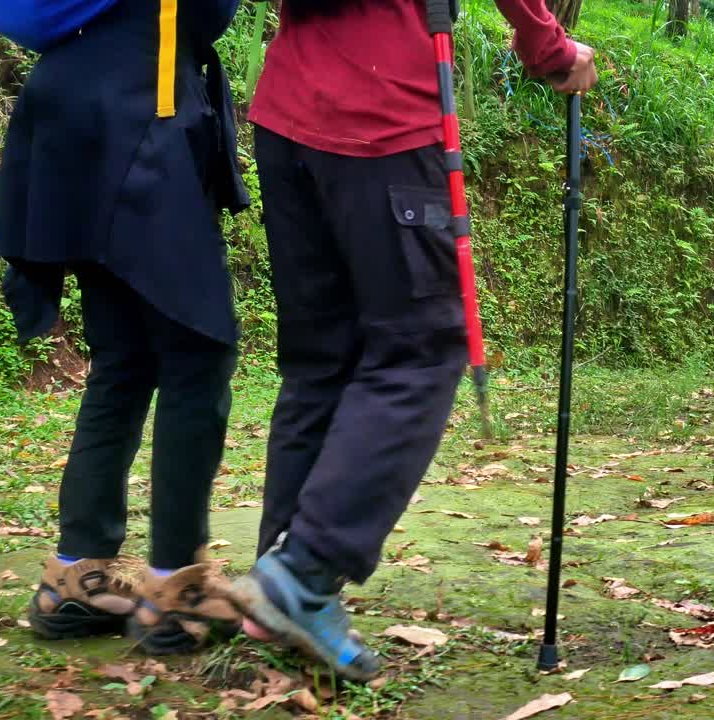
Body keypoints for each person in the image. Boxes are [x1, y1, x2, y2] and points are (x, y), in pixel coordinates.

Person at [226, 0, 599, 680]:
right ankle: (303, 573)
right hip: (383, 119)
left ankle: (277, 583)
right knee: (422, 350)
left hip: (285, 116)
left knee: (321, 362)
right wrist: (549, 48)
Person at [0, 0, 250, 655]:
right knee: (198, 352)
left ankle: (78, 579)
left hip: (75, 108)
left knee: (125, 358)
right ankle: (177, 593)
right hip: (141, 112)